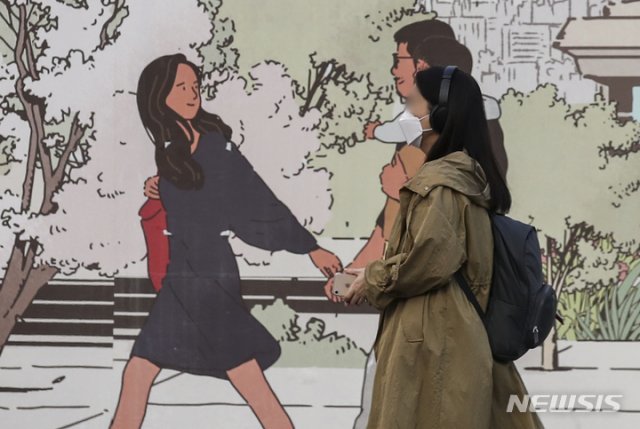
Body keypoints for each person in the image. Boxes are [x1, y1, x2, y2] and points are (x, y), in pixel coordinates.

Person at [110, 54, 343, 429]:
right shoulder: (171, 149)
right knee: (141, 370)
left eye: (195, 86)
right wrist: (160, 188)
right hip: (181, 273)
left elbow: (256, 198)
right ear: (159, 96)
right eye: (181, 87)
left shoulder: (216, 145)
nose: (192, 94)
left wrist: (309, 247)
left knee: (244, 375)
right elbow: (186, 199)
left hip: (208, 273)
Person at [343, 66, 544, 428]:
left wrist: (374, 278)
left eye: (411, 104)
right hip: (447, 338)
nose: (404, 113)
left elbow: (428, 261)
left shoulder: (442, 185)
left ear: (438, 114)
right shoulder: (459, 178)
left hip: (434, 345)